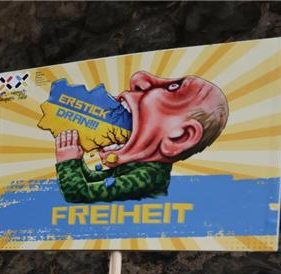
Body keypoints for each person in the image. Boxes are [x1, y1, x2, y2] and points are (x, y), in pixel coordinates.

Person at [54, 71, 228, 202]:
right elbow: (95, 180)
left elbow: (79, 193)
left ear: (179, 137)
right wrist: (77, 160)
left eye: (173, 87)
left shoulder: (148, 177)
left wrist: (67, 163)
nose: (138, 78)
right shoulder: (137, 165)